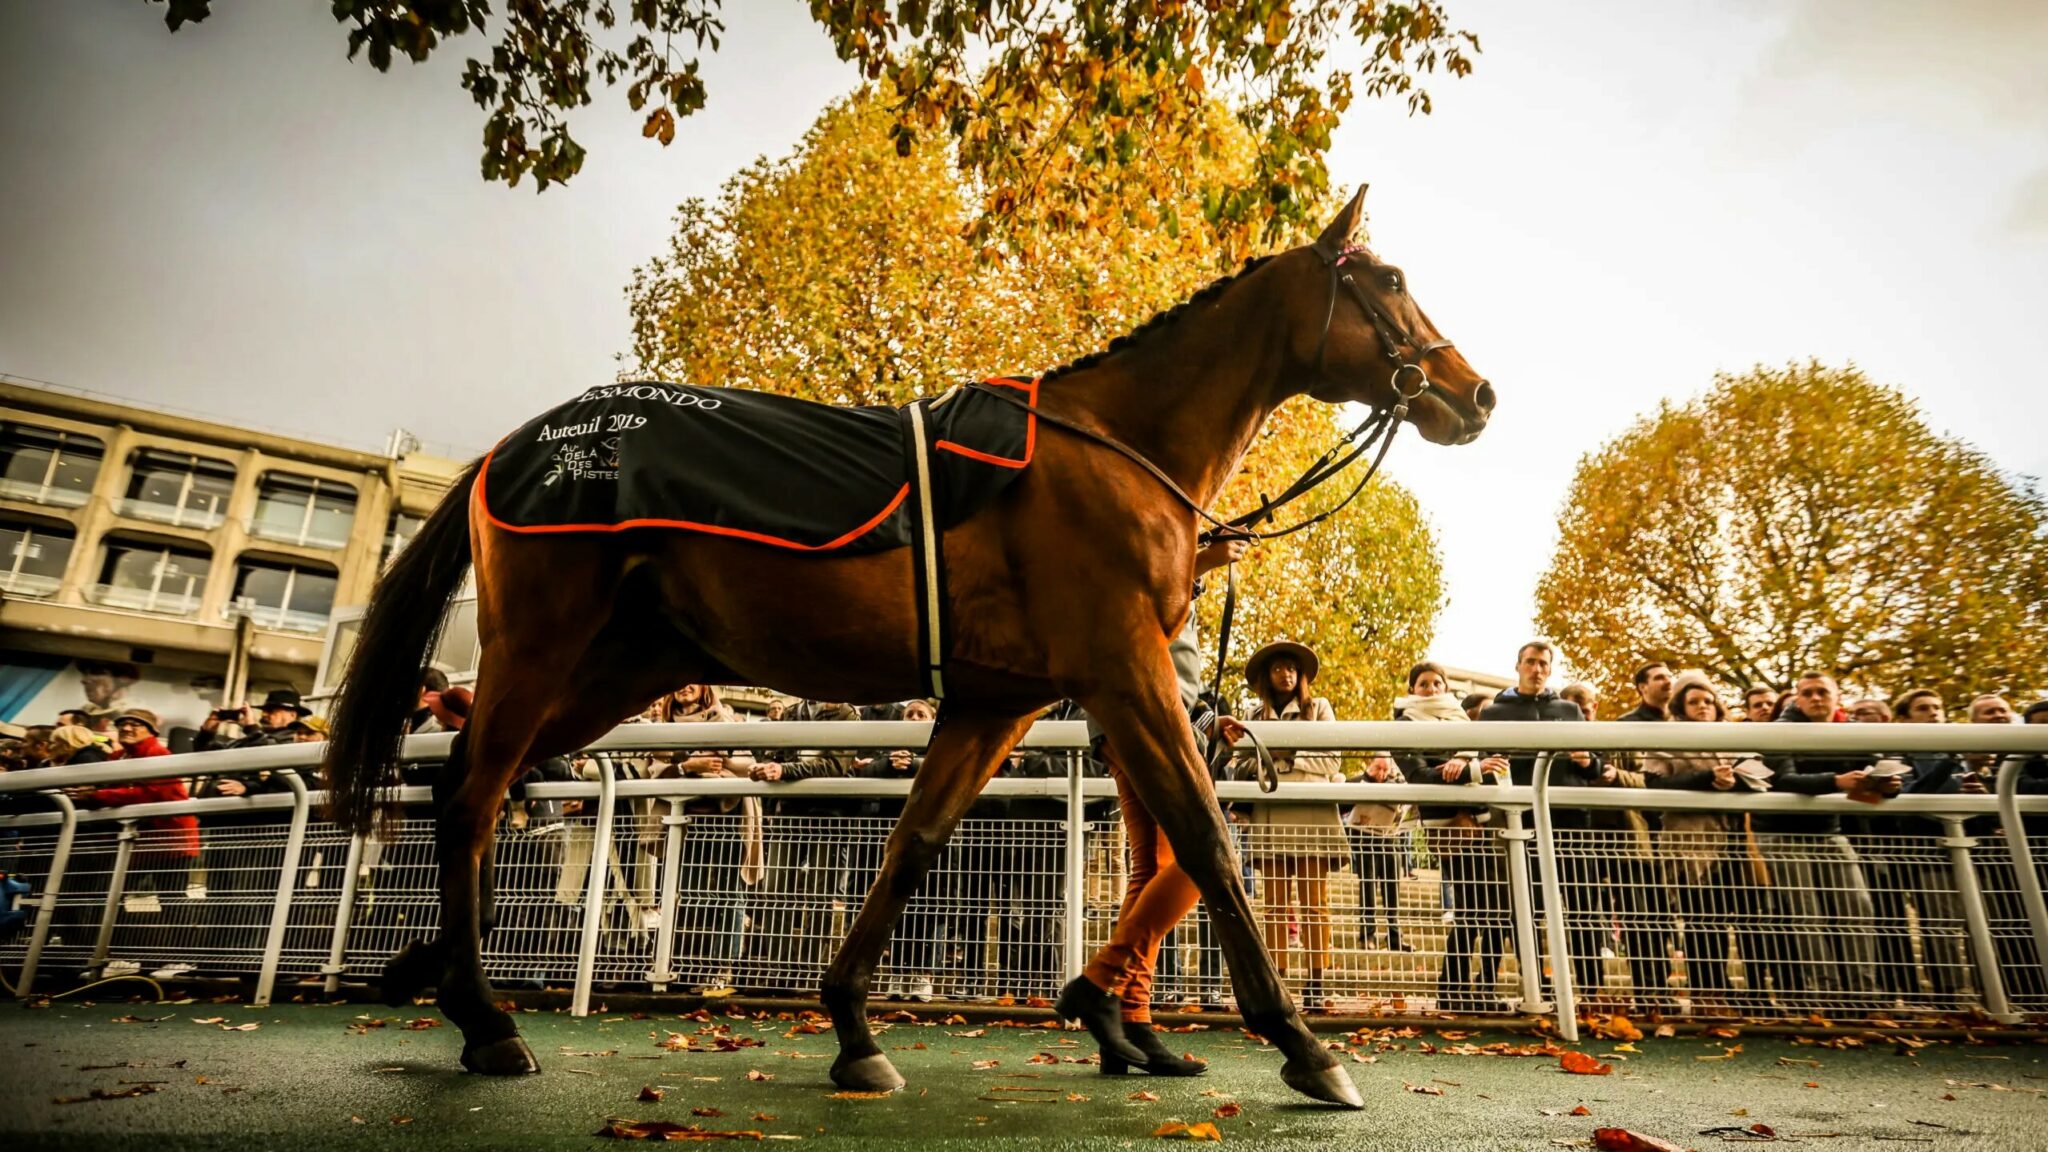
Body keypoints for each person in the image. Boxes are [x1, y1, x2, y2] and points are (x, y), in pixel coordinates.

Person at [1064, 533, 1247, 1077]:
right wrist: (1201, 560)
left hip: (1146, 715)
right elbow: (1138, 606)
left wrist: (1207, 724)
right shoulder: (1147, 545)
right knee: (1198, 859)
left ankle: (1127, 1022)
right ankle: (1101, 985)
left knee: (1154, 867)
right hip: (1140, 713)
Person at [1476, 642, 1610, 1003]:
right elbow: (1484, 763)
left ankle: (1592, 986)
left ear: (1550, 670)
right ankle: (1536, 982)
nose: (1537, 669)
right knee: (1525, 904)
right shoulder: (1494, 713)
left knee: (1582, 905)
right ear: (1518, 665)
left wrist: (1585, 762)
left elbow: (1597, 764)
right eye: (1531, 662)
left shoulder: (1569, 709)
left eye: (1544, 664)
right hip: (1521, 819)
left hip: (1570, 819)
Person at [1755, 672, 1894, 1009]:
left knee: (1858, 908)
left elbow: (1874, 773)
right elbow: (1784, 779)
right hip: (1784, 835)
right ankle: (1823, 994)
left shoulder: (1848, 732)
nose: (1816, 699)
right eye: (1808, 693)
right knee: (1807, 915)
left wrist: (1888, 787)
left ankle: (1864, 991)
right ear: (1797, 699)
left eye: (1822, 692)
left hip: (1829, 832)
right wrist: (1836, 781)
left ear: (1837, 697)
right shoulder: (1781, 730)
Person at [1238, 639, 1348, 1014]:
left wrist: (1288, 757)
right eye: (1277, 668)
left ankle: (1316, 980)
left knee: (1315, 903)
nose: (1286, 674)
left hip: (1311, 813)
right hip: (1271, 813)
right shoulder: (1254, 714)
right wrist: (1281, 762)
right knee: (1274, 904)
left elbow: (1332, 761)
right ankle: (1277, 981)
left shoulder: (1319, 709)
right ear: (1267, 677)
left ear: (1300, 675)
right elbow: (1244, 765)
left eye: (1291, 668)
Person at [1642, 678, 1758, 1014]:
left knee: (1725, 917)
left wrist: (1736, 781)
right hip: (1688, 841)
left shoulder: (1733, 738)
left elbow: (1760, 775)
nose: (1703, 706)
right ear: (1680, 706)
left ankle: (1728, 990)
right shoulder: (1665, 740)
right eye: (1694, 701)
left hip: (1734, 837)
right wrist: (1707, 779)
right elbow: (1656, 783)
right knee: (1699, 918)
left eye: (1709, 700)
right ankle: (1706, 993)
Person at [751, 700, 869, 989]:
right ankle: (775, 968)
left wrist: (783, 771)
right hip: (789, 811)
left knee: (820, 893)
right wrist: (765, 766)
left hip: (828, 813)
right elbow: (778, 754)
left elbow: (836, 766)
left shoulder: (848, 714)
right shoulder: (792, 712)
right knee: (776, 888)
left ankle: (810, 970)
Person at [1865, 689, 1968, 1009]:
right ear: (1905, 718)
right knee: (1938, 923)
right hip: (1917, 849)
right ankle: (1948, 993)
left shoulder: (1961, 751)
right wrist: (1949, 764)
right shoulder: (1897, 753)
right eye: (1923, 708)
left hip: (1965, 844)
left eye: (1938, 707)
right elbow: (1909, 794)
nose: (1934, 713)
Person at [658, 684, 762, 996]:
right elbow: (654, 772)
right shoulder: (663, 729)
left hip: (726, 820)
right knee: (688, 894)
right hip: (685, 824)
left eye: (693, 680)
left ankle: (723, 968)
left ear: (705, 688)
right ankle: (689, 965)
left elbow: (747, 764)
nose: (684, 686)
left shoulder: (725, 721)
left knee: (729, 895)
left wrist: (722, 764)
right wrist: (690, 766)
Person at [1607, 661, 1678, 1015]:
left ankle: (1662, 988)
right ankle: (1647, 991)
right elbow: (1616, 775)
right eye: (1659, 677)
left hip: (1677, 838)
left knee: (1665, 917)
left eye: (1670, 677)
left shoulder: (1684, 726)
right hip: (1636, 839)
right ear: (1641, 687)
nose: (1668, 682)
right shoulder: (1624, 728)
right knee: (1639, 917)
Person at [193, 688, 310, 752]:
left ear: (292, 715)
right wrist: (207, 732)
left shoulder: (294, 742)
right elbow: (206, 752)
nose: (264, 714)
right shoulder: (251, 738)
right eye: (264, 710)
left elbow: (268, 752)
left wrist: (250, 727)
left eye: (271, 710)